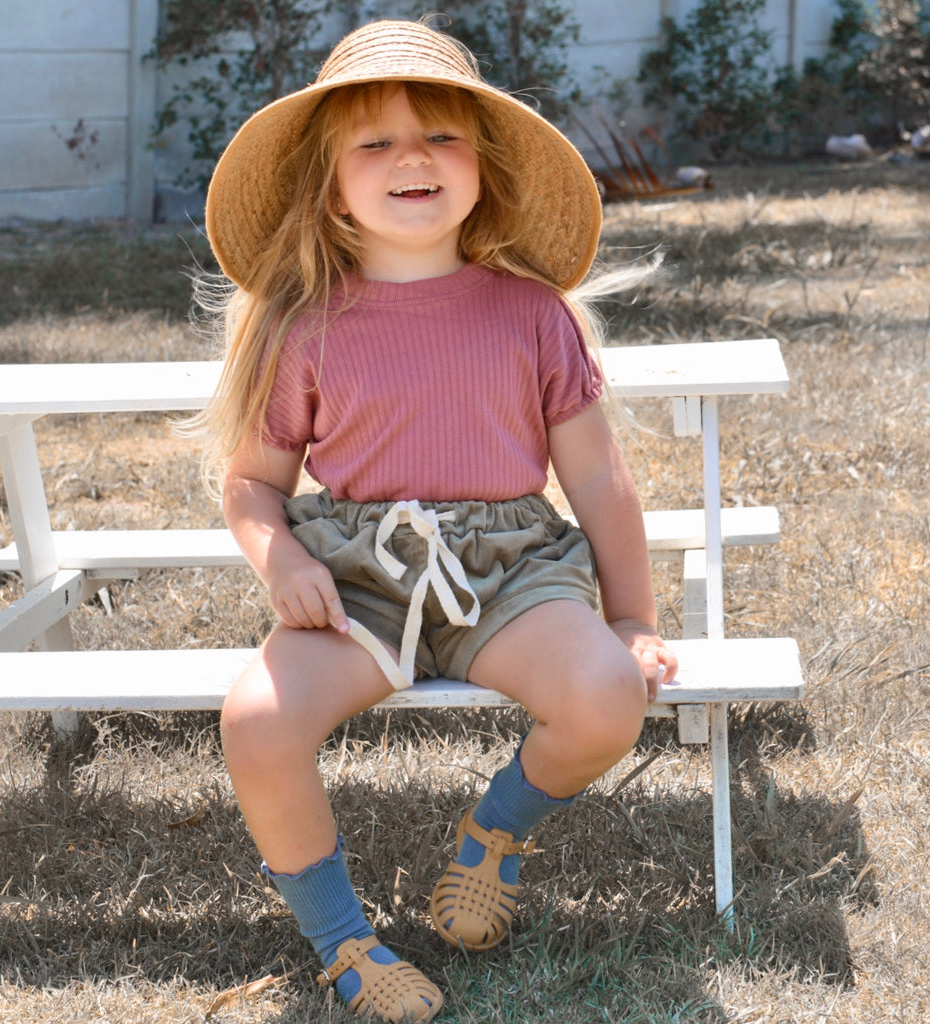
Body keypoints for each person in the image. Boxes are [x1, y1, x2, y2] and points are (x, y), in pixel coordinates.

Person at [192, 18, 678, 1023]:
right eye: (374, 142)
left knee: (604, 696)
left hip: (509, 571)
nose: (410, 157)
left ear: (482, 169)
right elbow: (250, 483)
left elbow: (599, 483)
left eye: (440, 137)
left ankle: (493, 836)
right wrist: (276, 553)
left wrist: (631, 620)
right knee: (256, 723)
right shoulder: (304, 325)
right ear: (331, 184)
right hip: (363, 573)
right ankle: (345, 944)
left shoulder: (532, 313)